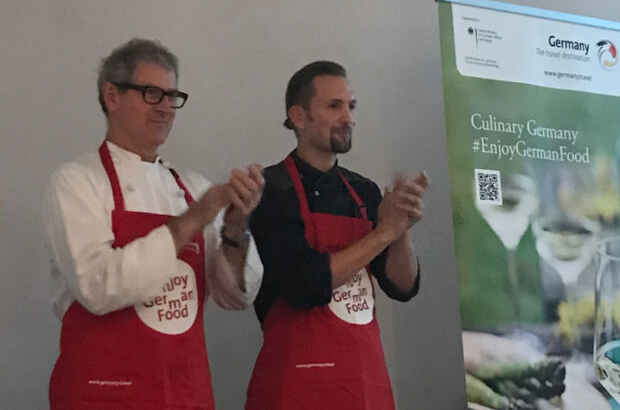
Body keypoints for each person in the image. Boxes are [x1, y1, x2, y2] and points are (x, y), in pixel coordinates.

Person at [42, 38, 264, 410]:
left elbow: (236, 297)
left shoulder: (194, 187)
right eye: (151, 93)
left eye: (172, 96)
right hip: (103, 394)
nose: (165, 108)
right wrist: (195, 218)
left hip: (184, 392)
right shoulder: (77, 182)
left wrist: (234, 229)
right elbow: (99, 287)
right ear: (111, 96)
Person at [245, 61, 429, 410]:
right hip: (296, 391)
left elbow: (402, 287)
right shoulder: (270, 191)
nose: (349, 118)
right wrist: (384, 232)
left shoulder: (364, 191)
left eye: (351, 106)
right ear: (299, 117)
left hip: (365, 387)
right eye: (334, 106)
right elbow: (304, 285)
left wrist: (401, 230)